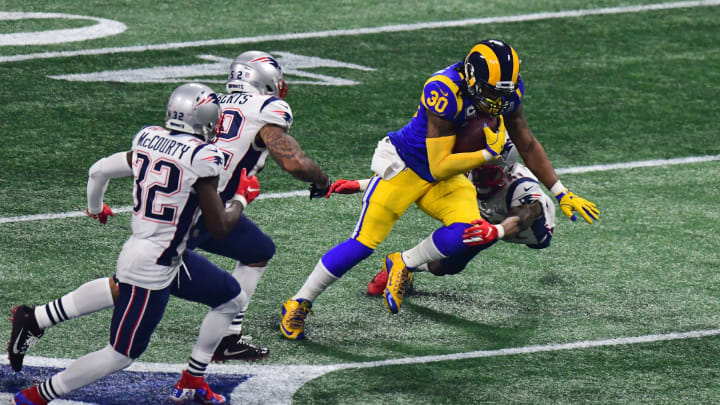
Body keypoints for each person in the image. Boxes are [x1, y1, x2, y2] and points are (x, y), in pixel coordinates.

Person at [7, 51, 332, 371]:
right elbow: (294, 161)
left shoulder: (209, 103)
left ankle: (38, 318)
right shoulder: (268, 108)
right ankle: (38, 320)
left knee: (255, 249)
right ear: (268, 82)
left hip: (176, 202)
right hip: (203, 209)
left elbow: (104, 168)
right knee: (144, 284)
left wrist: (95, 206)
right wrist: (321, 179)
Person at [280, 39, 598, 340]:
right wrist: (489, 154)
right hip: (407, 166)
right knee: (363, 244)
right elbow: (436, 165)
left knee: (470, 232)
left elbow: (526, 142)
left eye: (503, 92)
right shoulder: (443, 89)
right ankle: (299, 303)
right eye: (490, 92)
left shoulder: (506, 93)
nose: (498, 101)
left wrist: (561, 192)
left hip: (451, 175)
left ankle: (402, 262)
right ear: (472, 78)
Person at [11, 83, 261, 405]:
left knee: (231, 298)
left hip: (164, 255)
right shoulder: (204, 157)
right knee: (121, 354)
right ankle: (34, 398)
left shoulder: (148, 139)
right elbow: (220, 226)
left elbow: (98, 170)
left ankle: (191, 380)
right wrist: (242, 198)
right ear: (206, 118)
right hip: (154, 267)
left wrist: (96, 207)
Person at [327, 141, 556, 295]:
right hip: (485, 222)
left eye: (487, 170)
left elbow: (527, 214)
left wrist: (496, 231)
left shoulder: (520, 185)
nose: (478, 174)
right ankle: (407, 268)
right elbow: (415, 182)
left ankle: (405, 264)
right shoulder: (468, 168)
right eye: (478, 168)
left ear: (505, 169)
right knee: (447, 265)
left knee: (506, 234)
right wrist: (360, 185)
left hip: (529, 231)